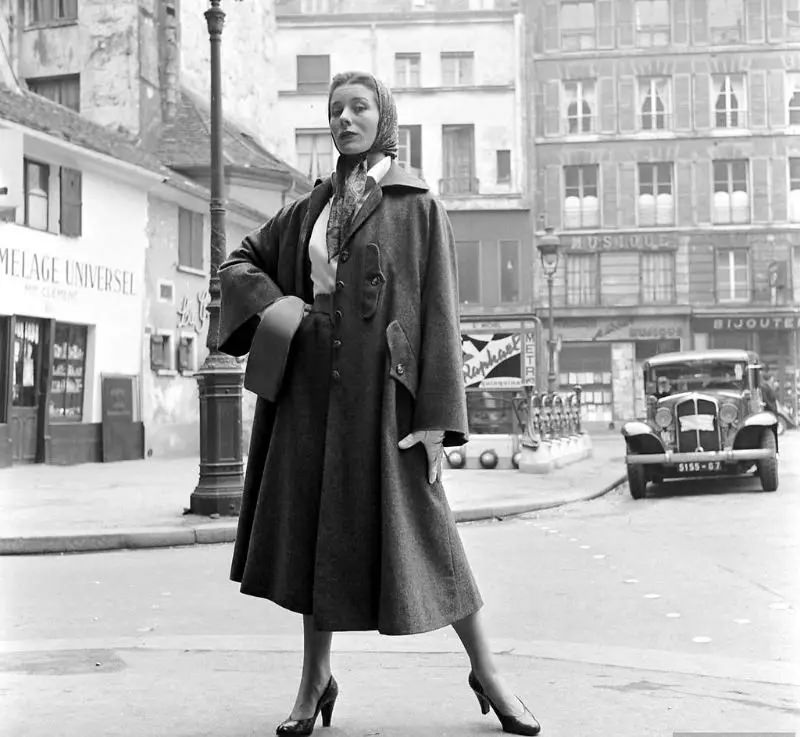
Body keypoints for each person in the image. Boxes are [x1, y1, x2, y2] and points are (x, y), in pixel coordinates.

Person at [218, 71, 540, 736]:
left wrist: (435, 425)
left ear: (383, 116)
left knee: (430, 536)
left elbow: (440, 317)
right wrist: (283, 312)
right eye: (334, 110)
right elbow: (239, 264)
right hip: (308, 399)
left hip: (386, 403)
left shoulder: (414, 203)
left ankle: (488, 671)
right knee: (313, 539)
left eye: (358, 107)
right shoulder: (309, 207)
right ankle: (314, 682)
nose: (344, 119)